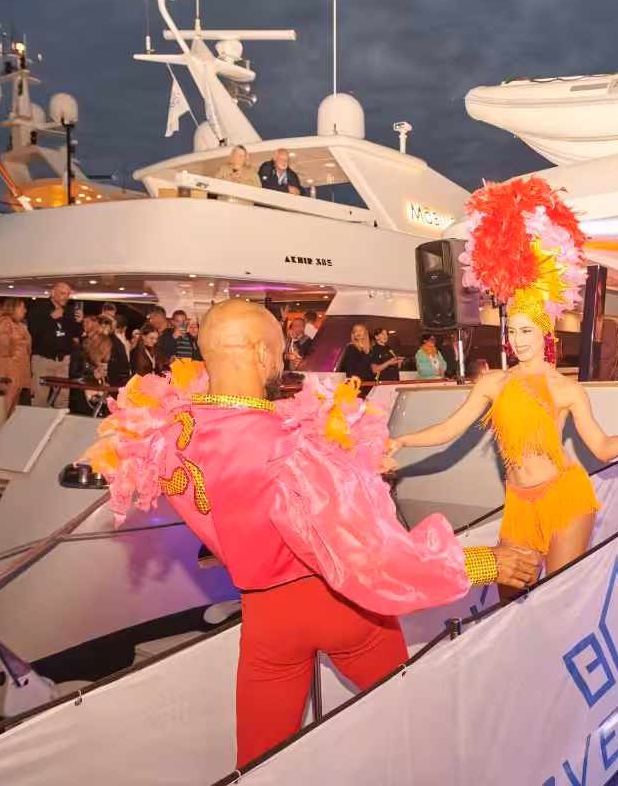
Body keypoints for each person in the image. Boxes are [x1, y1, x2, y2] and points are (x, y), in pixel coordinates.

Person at [83, 299, 542, 768]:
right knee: (421, 725)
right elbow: (376, 560)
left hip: (264, 621)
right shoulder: (291, 446)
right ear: (262, 354)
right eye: (281, 352)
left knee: (258, 763)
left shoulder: (161, 429)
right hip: (337, 605)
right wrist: (488, 562)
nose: (285, 362)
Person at [386, 176, 618, 585]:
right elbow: (449, 428)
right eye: (512, 333)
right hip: (518, 502)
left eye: (526, 332)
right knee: (511, 593)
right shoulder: (494, 382)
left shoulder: (566, 389)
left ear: (545, 335)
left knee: (557, 596)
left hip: (564, 498)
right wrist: (403, 441)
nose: (517, 341)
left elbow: (603, 449)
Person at [28, 282, 84, 408]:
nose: (66, 297)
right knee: (40, 398)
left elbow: (77, 334)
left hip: (63, 360)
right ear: (52, 293)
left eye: (68, 294)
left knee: (63, 398)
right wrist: (50, 318)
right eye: (62, 293)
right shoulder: (39, 308)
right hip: (43, 360)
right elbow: (33, 332)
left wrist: (79, 322)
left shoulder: (69, 310)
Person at [0, 297, 33, 417]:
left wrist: (21, 342)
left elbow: (26, 344)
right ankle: (8, 427)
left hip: (20, 369)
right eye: (22, 308)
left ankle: (14, 426)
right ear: (13, 309)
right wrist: (21, 342)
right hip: (10, 370)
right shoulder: (4, 323)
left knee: (18, 401)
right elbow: (4, 347)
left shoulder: (20, 325)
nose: (25, 310)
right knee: (10, 402)